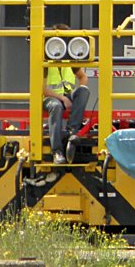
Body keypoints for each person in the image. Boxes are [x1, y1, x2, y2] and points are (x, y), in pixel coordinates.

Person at [43, 24, 89, 164]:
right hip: (50, 99)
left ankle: (72, 132)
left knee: (84, 91)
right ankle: (57, 151)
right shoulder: (44, 60)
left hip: (67, 97)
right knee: (56, 107)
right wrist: (62, 98)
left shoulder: (70, 60)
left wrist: (72, 97)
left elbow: (83, 77)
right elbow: (42, 89)